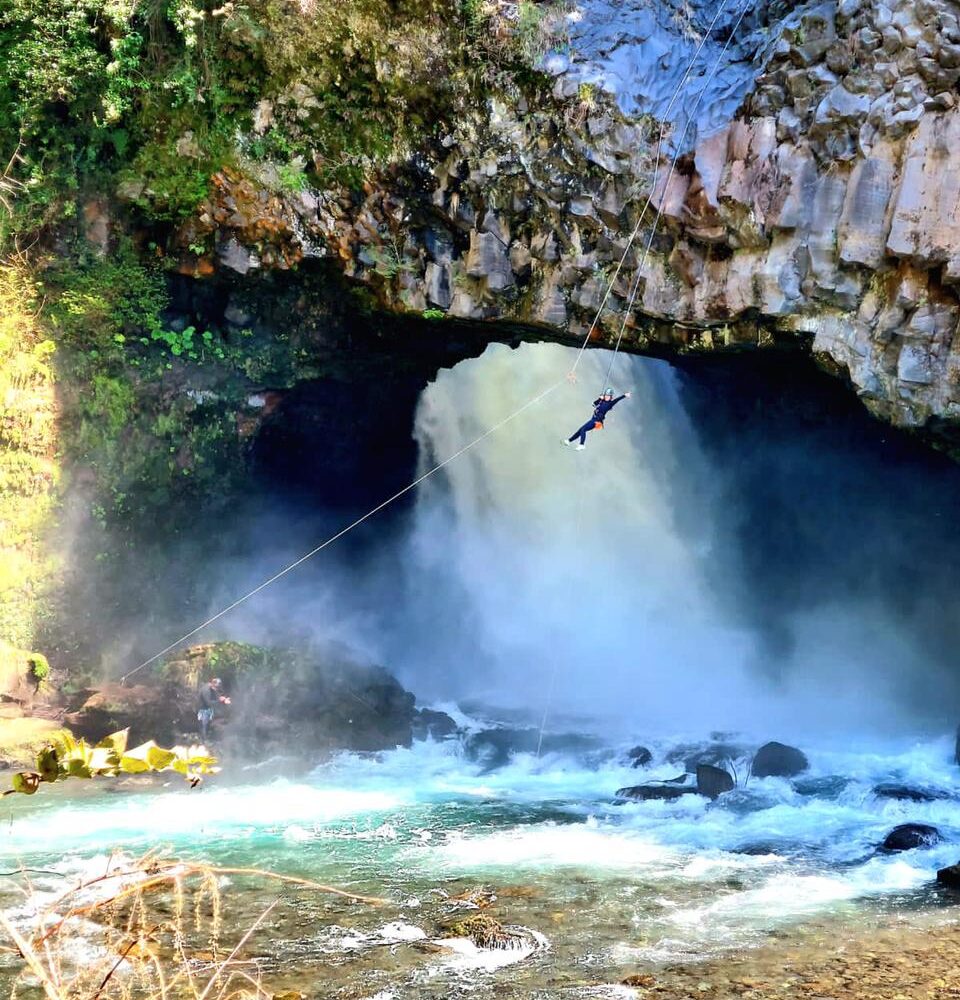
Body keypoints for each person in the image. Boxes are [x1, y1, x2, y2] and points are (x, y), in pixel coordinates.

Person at [563, 388, 631, 450]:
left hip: (597, 422)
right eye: (606, 395)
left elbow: (617, 400)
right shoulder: (601, 401)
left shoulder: (610, 404)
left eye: (608, 396)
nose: (607, 397)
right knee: (581, 430)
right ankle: (569, 441)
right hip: (593, 419)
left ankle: (582, 445)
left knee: (583, 429)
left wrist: (624, 395)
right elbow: (593, 404)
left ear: (611, 397)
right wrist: (599, 399)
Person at [197, 676, 231, 741]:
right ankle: (203, 742)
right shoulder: (206, 690)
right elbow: (208, 702)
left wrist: (223, 699)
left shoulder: (212, 689)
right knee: (203, 726)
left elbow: (215, 697)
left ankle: (207, 739)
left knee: (208, 725)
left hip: (209, 709)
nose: (216, 689)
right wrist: (220, 701)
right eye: (216, 688)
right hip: (203, 709)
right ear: (212, 684)